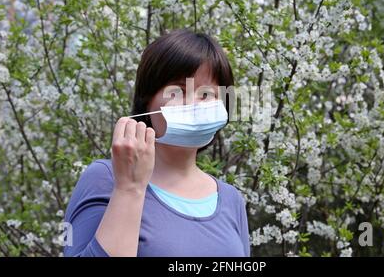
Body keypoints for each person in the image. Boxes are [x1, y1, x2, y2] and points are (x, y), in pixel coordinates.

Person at [63, 29, 250, 257]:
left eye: (206, 94)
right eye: (178, 91)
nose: (193, 104)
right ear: (147, 102)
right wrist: (129, 188)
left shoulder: (231, 200)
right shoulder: (105, 178)